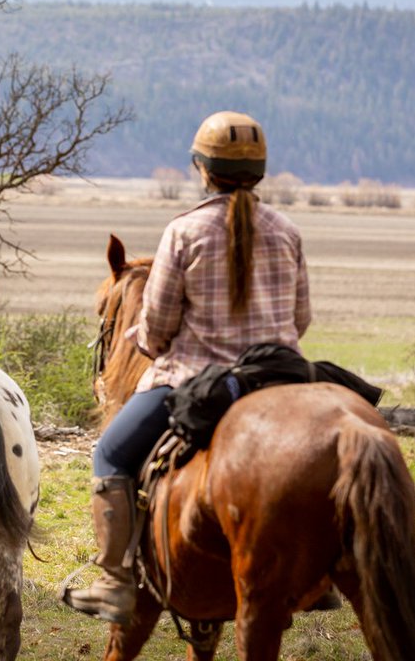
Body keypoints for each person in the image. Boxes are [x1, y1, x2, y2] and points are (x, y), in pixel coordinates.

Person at [62, 111, 311, 625]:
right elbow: (300, 320)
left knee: (110, 451)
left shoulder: (184, 231)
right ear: (259, 171)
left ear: (203, 169)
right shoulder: (287, 231)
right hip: (278, 379)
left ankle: (114, 581)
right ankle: (322, 573)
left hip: (195, 381)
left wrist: (146, 339)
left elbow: (155, 330)